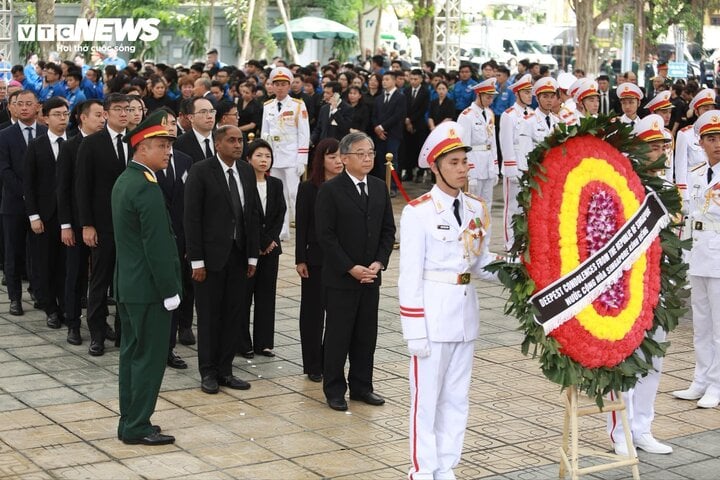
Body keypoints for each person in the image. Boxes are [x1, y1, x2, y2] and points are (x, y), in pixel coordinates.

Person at [399, 122, 499, 480]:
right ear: (435, 166)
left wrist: (520, 271)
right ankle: (423, 470)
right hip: (431, 317)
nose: (462, 168)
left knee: (457, 398)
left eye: (463, 161)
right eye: (454, 162)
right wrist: (414, 330)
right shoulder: (419, 212)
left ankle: (446, 465)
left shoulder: (476, 208)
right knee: (426, 401)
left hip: (464, 316)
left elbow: (482, 262)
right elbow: (408, 276)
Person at [606, 114, 675, 456]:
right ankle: (620, 433)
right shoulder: (624, 185)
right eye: (653, 146)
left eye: (664, 145)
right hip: (629, 285)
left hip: (663, 284)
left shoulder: (670, 186)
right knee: (626, 358)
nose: (660, 151)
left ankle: (642, 426)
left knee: (654, 359)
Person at [112, 110, 181, 446]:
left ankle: (130, 422)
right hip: (150, 289)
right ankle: (138, 425)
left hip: (129, 284)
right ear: (141, 148)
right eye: (162, 145)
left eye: (169, 145)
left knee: (131, 356)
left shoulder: (126, 180)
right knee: (148, 360)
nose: (168, 151)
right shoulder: (145, 187)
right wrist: (170, 289)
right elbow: (157, 245)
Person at [315, 132, 396, 411]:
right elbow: (325, 236)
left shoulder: (377, 187)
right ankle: (334, 389)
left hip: (371, 276)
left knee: (366, 336)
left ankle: (362, 386)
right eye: (361, 153)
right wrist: (350, 267)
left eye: (371, 152)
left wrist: (379, 262)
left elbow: (388, 230)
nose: (367, 158)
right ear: (345, 158)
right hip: (341, 278)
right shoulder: (331, 190)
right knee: (339, 336)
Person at [184, 125, 259, 394]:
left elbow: (252, 215)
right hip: (210, 258)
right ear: (218, 144)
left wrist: (252, 255)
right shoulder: (201, 171)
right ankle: (208, 371)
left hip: (239, 256)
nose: (238, 145)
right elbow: (191, 218)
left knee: (233, 314)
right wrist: (197, 261)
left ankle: (226, 370)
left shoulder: (247, 171)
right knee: (209, 316)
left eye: (240, 141)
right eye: (231, 141)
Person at [75, 93, 130, 356]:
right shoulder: (92, 143)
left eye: (127, 109)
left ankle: (123, 333)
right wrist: (87, 224)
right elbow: (82, 187)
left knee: (126, 280)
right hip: (102, 224)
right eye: (118, 109)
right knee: (100, 279)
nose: (123, 113)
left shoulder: (137, 141)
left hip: (130, 225)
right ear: (106, 113)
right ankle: (97, 333)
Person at [672, 110, 720, 412]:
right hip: (699, 255)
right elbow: (690, 218)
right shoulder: (697, 173)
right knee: (701, 324)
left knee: (719, 326)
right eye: (711, 138)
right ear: (700, 141)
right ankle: (701, 378)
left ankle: (717, 382)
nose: (717, 144)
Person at [57, 99, 106, 345]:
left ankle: (100, 321)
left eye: (103, 114)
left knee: (101, 276)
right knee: (75, 274)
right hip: (77, 223)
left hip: (103, 223)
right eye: (97, 115)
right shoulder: (70, 147)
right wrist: (66, 225)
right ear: (82, 118)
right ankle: (73, 323)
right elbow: (63, 189)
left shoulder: (108, 144)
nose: (102, 119)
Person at [295, 138, 343, 382]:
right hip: (315, 258)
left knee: (337, 313)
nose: (337, 161)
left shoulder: (349, 186)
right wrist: (300, 258)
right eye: (331, 157)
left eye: (339, 156)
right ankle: (312, 363)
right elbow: (301, 224)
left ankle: (329, 360)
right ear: (321, 160)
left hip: (343, 260)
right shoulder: (308, 188)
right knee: (313, 314)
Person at [153, 107, 195, 366]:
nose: (169, 127)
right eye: (163, 123)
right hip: (155, 237)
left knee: (175, 290)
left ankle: (169, 347)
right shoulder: (145, 162)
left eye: (171, 123)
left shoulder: (184, 160)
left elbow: (189, 203)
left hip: (179, 235)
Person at [0, 89, 47, 316]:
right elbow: (4, 170)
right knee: (14, 251)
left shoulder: (47, 133)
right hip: (14, 204)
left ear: (38, 106)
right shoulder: (4, 135)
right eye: (20, 104)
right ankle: (15, 298)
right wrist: (25, 194)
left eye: (30, 103)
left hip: (42, 205)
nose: (25, 107)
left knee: (39, 251)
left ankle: (39, 292)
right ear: (13, 107)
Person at [239, 139, 286, 358]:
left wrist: (270, 240)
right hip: (248, 249)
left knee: (266, 297)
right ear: (248, 158)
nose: (263, 160)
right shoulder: (242, 183)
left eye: (267, 156)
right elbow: (246, 217)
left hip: (271, 249)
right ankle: (243, 342)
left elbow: (280, 213)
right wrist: (258, 243)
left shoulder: (275, 184)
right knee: (244, 296)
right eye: (259, 155)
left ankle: (264, 342)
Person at [24, 96, 68, 330]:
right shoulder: (37, 145)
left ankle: (66, 306)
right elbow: (29, 184)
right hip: (44, 215)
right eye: (57, 115)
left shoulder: (74, 143)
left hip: (68, 216)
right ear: (45, 118)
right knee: (44, 263)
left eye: (65, 114)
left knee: (66, 265)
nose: (62, 119)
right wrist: (33, 216)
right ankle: (50, 307)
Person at [260, 67, 310, 241]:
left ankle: (303, 229)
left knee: (294, 194)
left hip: (291, 156)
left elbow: (304, 133)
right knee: (277, 195)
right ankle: (282, 230)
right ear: (272, 87)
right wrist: (264, 156)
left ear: (289, 86)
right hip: (274, 156)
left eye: (283, 84)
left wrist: (302, 159)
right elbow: (264, 133)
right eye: (277, 84)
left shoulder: (298, 105)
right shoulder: (268, 106)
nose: (280, 88)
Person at [499, 73, 533, 252]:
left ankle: (523, 240)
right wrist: (511, 169)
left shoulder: (532, 114)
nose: (530, 95)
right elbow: (505, 144)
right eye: (526, 92)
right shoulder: (509, 115)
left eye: (530, 92)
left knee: (526, 206)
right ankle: (510, 242)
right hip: (514, 166)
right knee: (512, 206)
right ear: (517, 93)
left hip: (529, 166)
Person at [457, 78, 498, 210]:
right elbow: (464, 146)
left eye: (492, 97)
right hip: (474, 161)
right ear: (478, 95)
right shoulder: (466, 115)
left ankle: (487, 232)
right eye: (487, 97)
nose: (490, 100)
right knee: (472, 205)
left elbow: (493, 143)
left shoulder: (490, 113)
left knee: (487, 205)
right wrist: (469, 172)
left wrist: (495, 167)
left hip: (488, 163)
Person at [675, 88, 716, 206]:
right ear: (697, 112)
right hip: (694, 188)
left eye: (711, 109)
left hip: (714, 188)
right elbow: (680, 169)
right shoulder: (685, 134)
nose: (709, 112)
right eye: (705, 109)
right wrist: (683, 198)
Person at [371, 71, 406, 195]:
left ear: (394, 80)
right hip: (379, 134)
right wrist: (377, 128)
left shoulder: (400, 97)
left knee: (392, 160)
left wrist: (382, 126)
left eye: (387, 79)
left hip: (393, 134)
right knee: (380, 160)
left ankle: (393, 186)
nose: (384, 82)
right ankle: (382, 185)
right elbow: (374, 115)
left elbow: (397, 116)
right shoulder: (379, 98)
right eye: (383, 80)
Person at [402, 69, 430, 182]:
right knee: (408, 149)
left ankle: (420, 172)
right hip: (406, 123)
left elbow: (423, 109)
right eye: (411, 79)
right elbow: (403, 107)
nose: (413, 81)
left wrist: (411, 120)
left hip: (419, 125)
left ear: (421, 79)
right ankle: (408, 172)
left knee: (419, 149)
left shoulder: (425, 92)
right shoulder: (406, 90)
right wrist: (407, 120)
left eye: (416, 79)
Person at [174, 96, 216, 163]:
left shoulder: (222, 139)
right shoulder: (179, 144)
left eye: (212, 111)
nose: (209, 116)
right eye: (203, 112)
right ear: (191, 118)